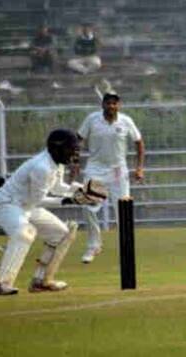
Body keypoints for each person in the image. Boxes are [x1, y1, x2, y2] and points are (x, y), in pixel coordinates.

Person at [0, 129, 88, 295]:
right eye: (69, 149)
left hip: (27, 205)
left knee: (61, 234)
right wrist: (68, 200)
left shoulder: (56, 163)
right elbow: (40, 200)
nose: (73, 153)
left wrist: (79, 191)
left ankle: (41, 281)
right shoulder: (42, 167)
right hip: (6, 203)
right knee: (24, 233)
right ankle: (1, 283)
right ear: (56, 148)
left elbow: (57, 188)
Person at [77, 93, 144, 263]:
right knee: (88, 206)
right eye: (108, 103)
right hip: (95, 169)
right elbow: (78, 140)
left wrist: (139, 168)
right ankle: (93, 245)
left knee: (123, 209)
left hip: (118, 171)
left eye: (114, 103)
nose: (111, 106)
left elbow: (139, 142)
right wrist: (74, 162)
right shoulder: (92, 119)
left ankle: (126, 248)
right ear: (103, 104)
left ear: (119, 105)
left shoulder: (126, 121)